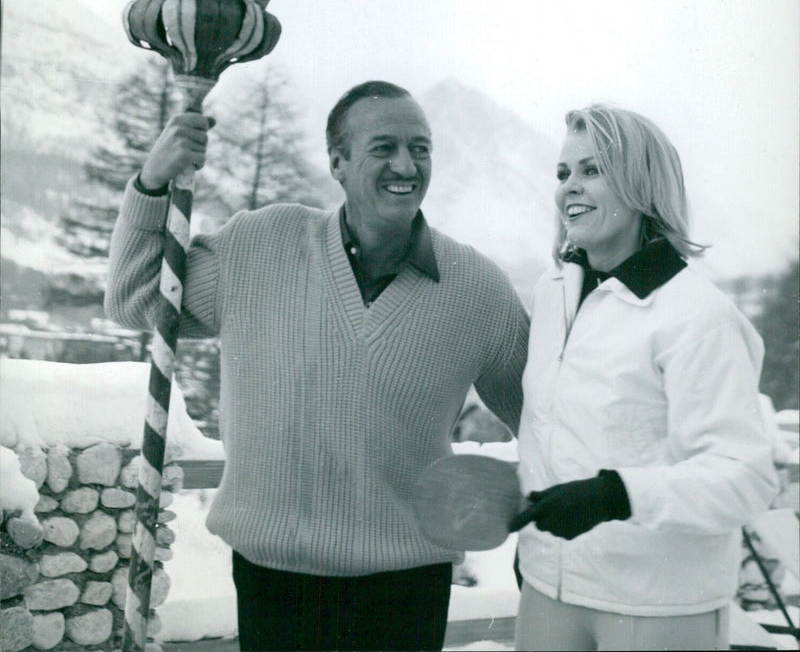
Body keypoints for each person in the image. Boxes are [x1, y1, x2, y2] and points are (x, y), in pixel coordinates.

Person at [106, 79, 529, 652]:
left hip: (406, 588)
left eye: (420, 148)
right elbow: (135, 297)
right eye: (383, 147)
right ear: (338, 161)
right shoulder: (260, 245)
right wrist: (153, 183)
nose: (406, 164)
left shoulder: (478, 292)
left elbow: (548, 419)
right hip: (274, 579)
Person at [510, 104, 778, 652]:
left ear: (640, 185)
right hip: (548, 591)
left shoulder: (697, 315)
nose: (569, 189)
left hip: (657, 606)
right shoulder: (551, 294)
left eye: (592, 170)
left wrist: (616, 495)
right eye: (563, 173)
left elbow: (744, 478)